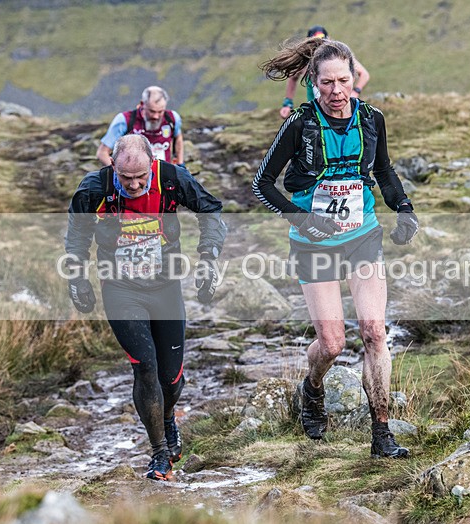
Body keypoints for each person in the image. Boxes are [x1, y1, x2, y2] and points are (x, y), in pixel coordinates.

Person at [253, 38, 418, 458]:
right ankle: (312, 387)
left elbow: (383, 170)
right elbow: (262, 184)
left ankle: (381, 434)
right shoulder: (300, 124)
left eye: (344, 80)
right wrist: (305, 220)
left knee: (374, 331)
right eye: (327, 83)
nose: (337, 91)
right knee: (331, 344)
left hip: (362, 235)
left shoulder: (372, 119)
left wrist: (404, 208)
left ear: (354, 78)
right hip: (314, 243)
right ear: (313, 82)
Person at [65, 134, 226, 480]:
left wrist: (208, 258)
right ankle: (159, 453)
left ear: (152, 164)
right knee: (146, 367)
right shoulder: (95, 189)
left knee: (171, 376)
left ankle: (167, 419)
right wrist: (76, 278)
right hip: (120, 288)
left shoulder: (171, 179)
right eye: (126, 179)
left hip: (165, 286)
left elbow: (210, 211)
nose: (135, 185)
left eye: (141, 177)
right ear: (113, 166)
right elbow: (77, 236)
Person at [278, 26, 370, 119]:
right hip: (315, 112)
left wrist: (355, 92)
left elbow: (364, 75)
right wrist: (287, 103)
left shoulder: (340, 57)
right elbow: (293, 78)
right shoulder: (305, 64)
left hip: (342, 110)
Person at [97, 86, 185, 167]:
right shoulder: (124, 120)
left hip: (163, 177)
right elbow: (102, 153)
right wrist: (120, 173)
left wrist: (180, 164)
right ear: (142, 103)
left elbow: (178, 138)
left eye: (160, 111)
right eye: (152, 111)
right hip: (134, 178)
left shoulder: (173, 118)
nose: (156, 116)